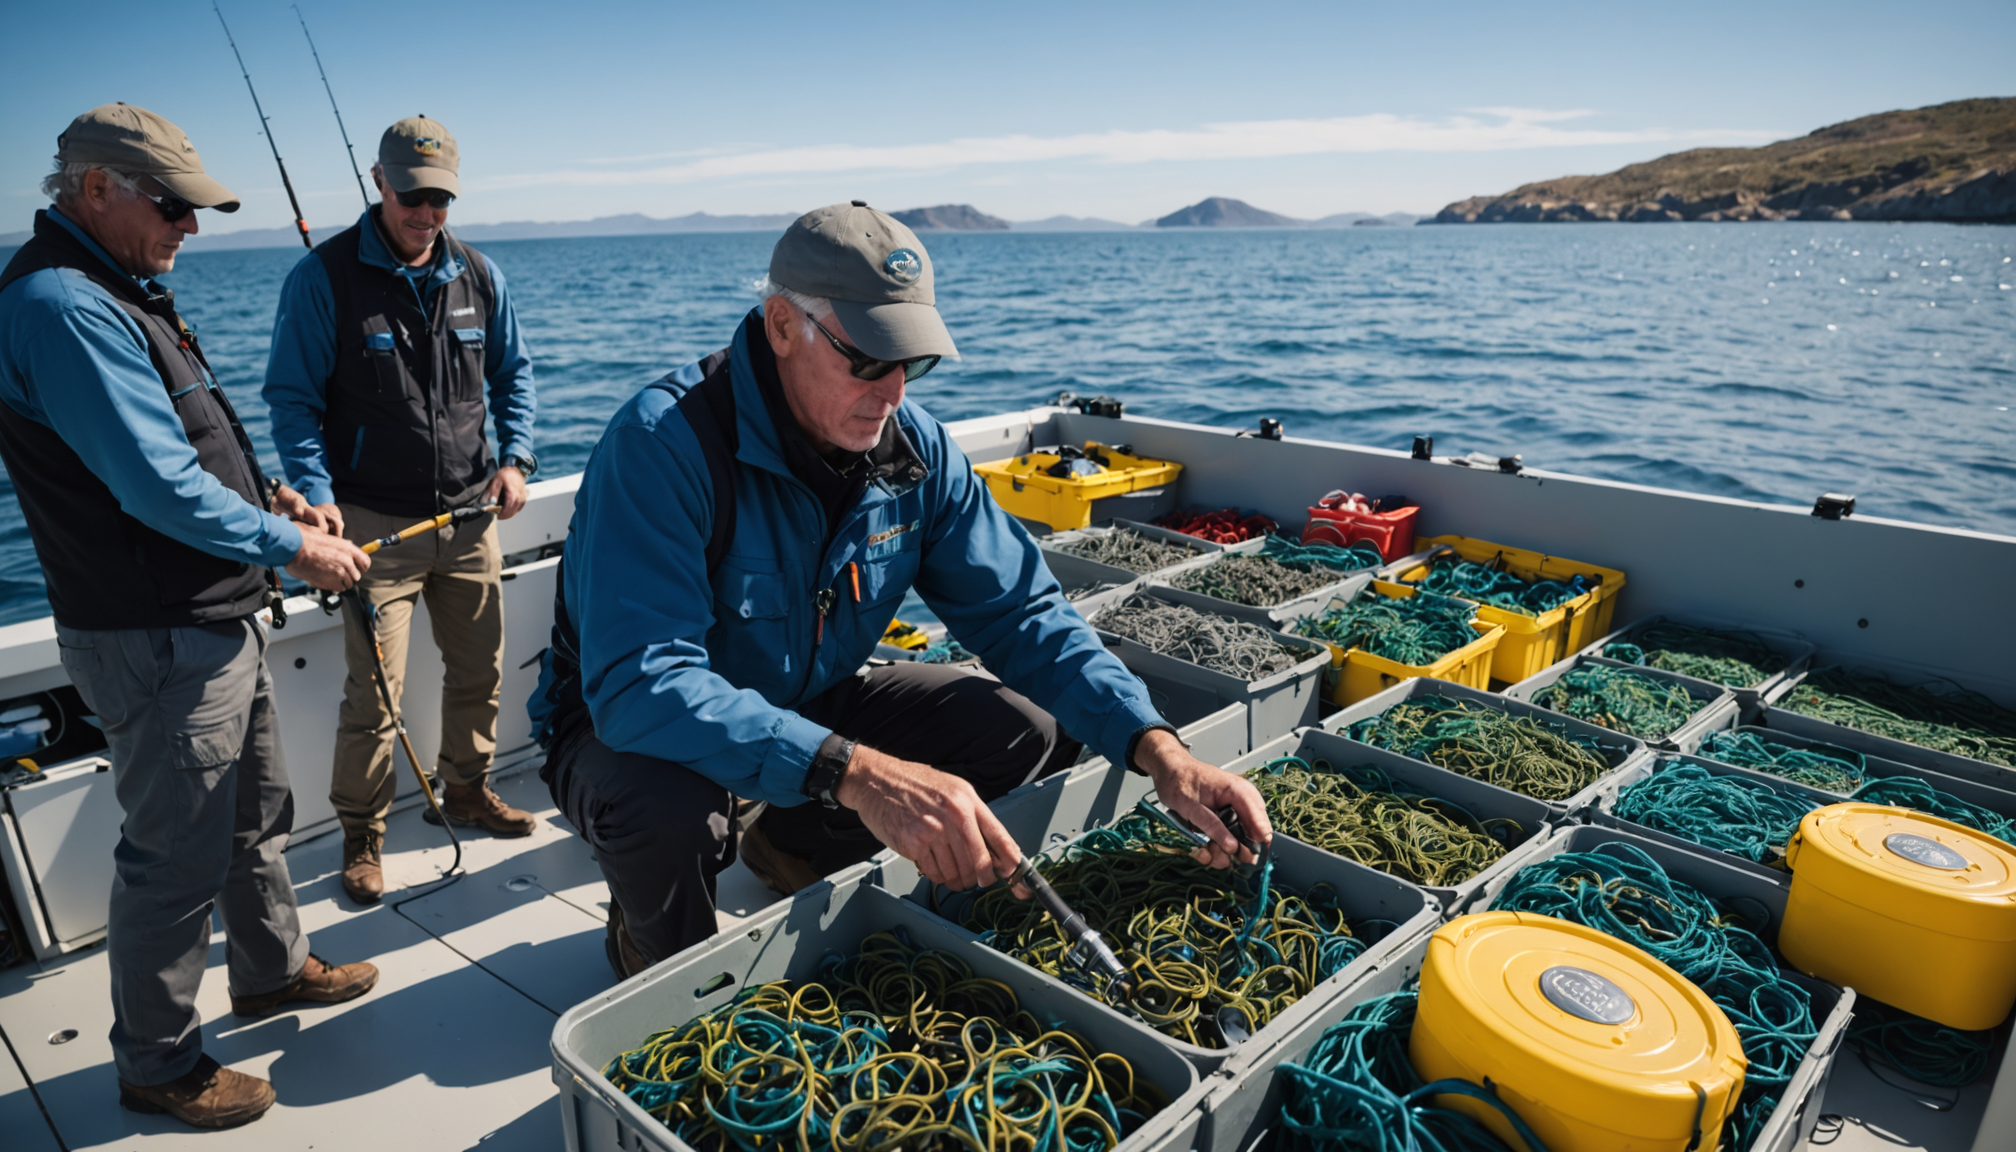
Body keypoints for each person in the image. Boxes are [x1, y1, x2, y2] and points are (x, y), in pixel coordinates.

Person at [530, 201, 1270, 977]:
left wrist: (1159, 751)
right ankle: (655, 959)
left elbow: (1023, 613)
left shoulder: (916, 451)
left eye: (911, 364)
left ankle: (792, 842)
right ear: (782, 326)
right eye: (867, 360)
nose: (891, 393)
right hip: (623, 732)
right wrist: (860, 775)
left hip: (808, 706)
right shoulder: (661, 446)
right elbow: (641, 686)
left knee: (1021, 729)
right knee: (664, 812)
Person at [0, 103, 380, 1130]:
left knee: (256, 819)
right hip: (157, 634)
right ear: (93, 189)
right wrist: (298, 545)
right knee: (173, 861)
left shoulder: (122, 288)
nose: (191, 229)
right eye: (172, 206)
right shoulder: (63, 308)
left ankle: (270, 971)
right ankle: (157, 1063)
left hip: (208, 615)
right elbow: (159, 488)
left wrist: (276, 504)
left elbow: (193, 447)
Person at [264, 116, 539, 906]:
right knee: (373, 693)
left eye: (442, 199)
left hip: (470, 517)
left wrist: (517, 460)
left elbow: (515, 376)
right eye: (413, 195)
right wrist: (316, 495)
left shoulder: (479, 275)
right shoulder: (322, 279)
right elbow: (291, 401)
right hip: (373, 529)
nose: (427, 214)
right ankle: (364, 833)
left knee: (481, 670)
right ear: (379, 183)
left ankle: (469, 791)